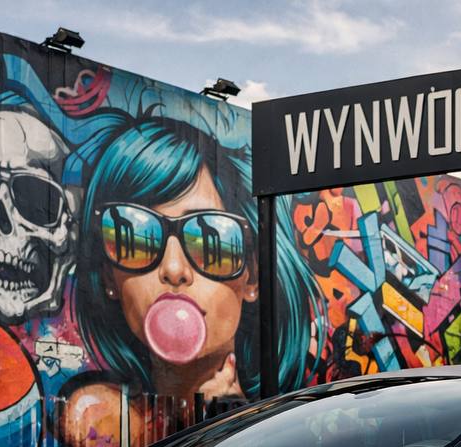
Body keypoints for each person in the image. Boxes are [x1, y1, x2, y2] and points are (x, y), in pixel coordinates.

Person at [75, 115, 322, 405]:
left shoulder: (286, 424)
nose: (174, 269)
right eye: (136, 237)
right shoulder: (98, 417)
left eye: (210, 241)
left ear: (252, 276)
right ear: (108, 276)